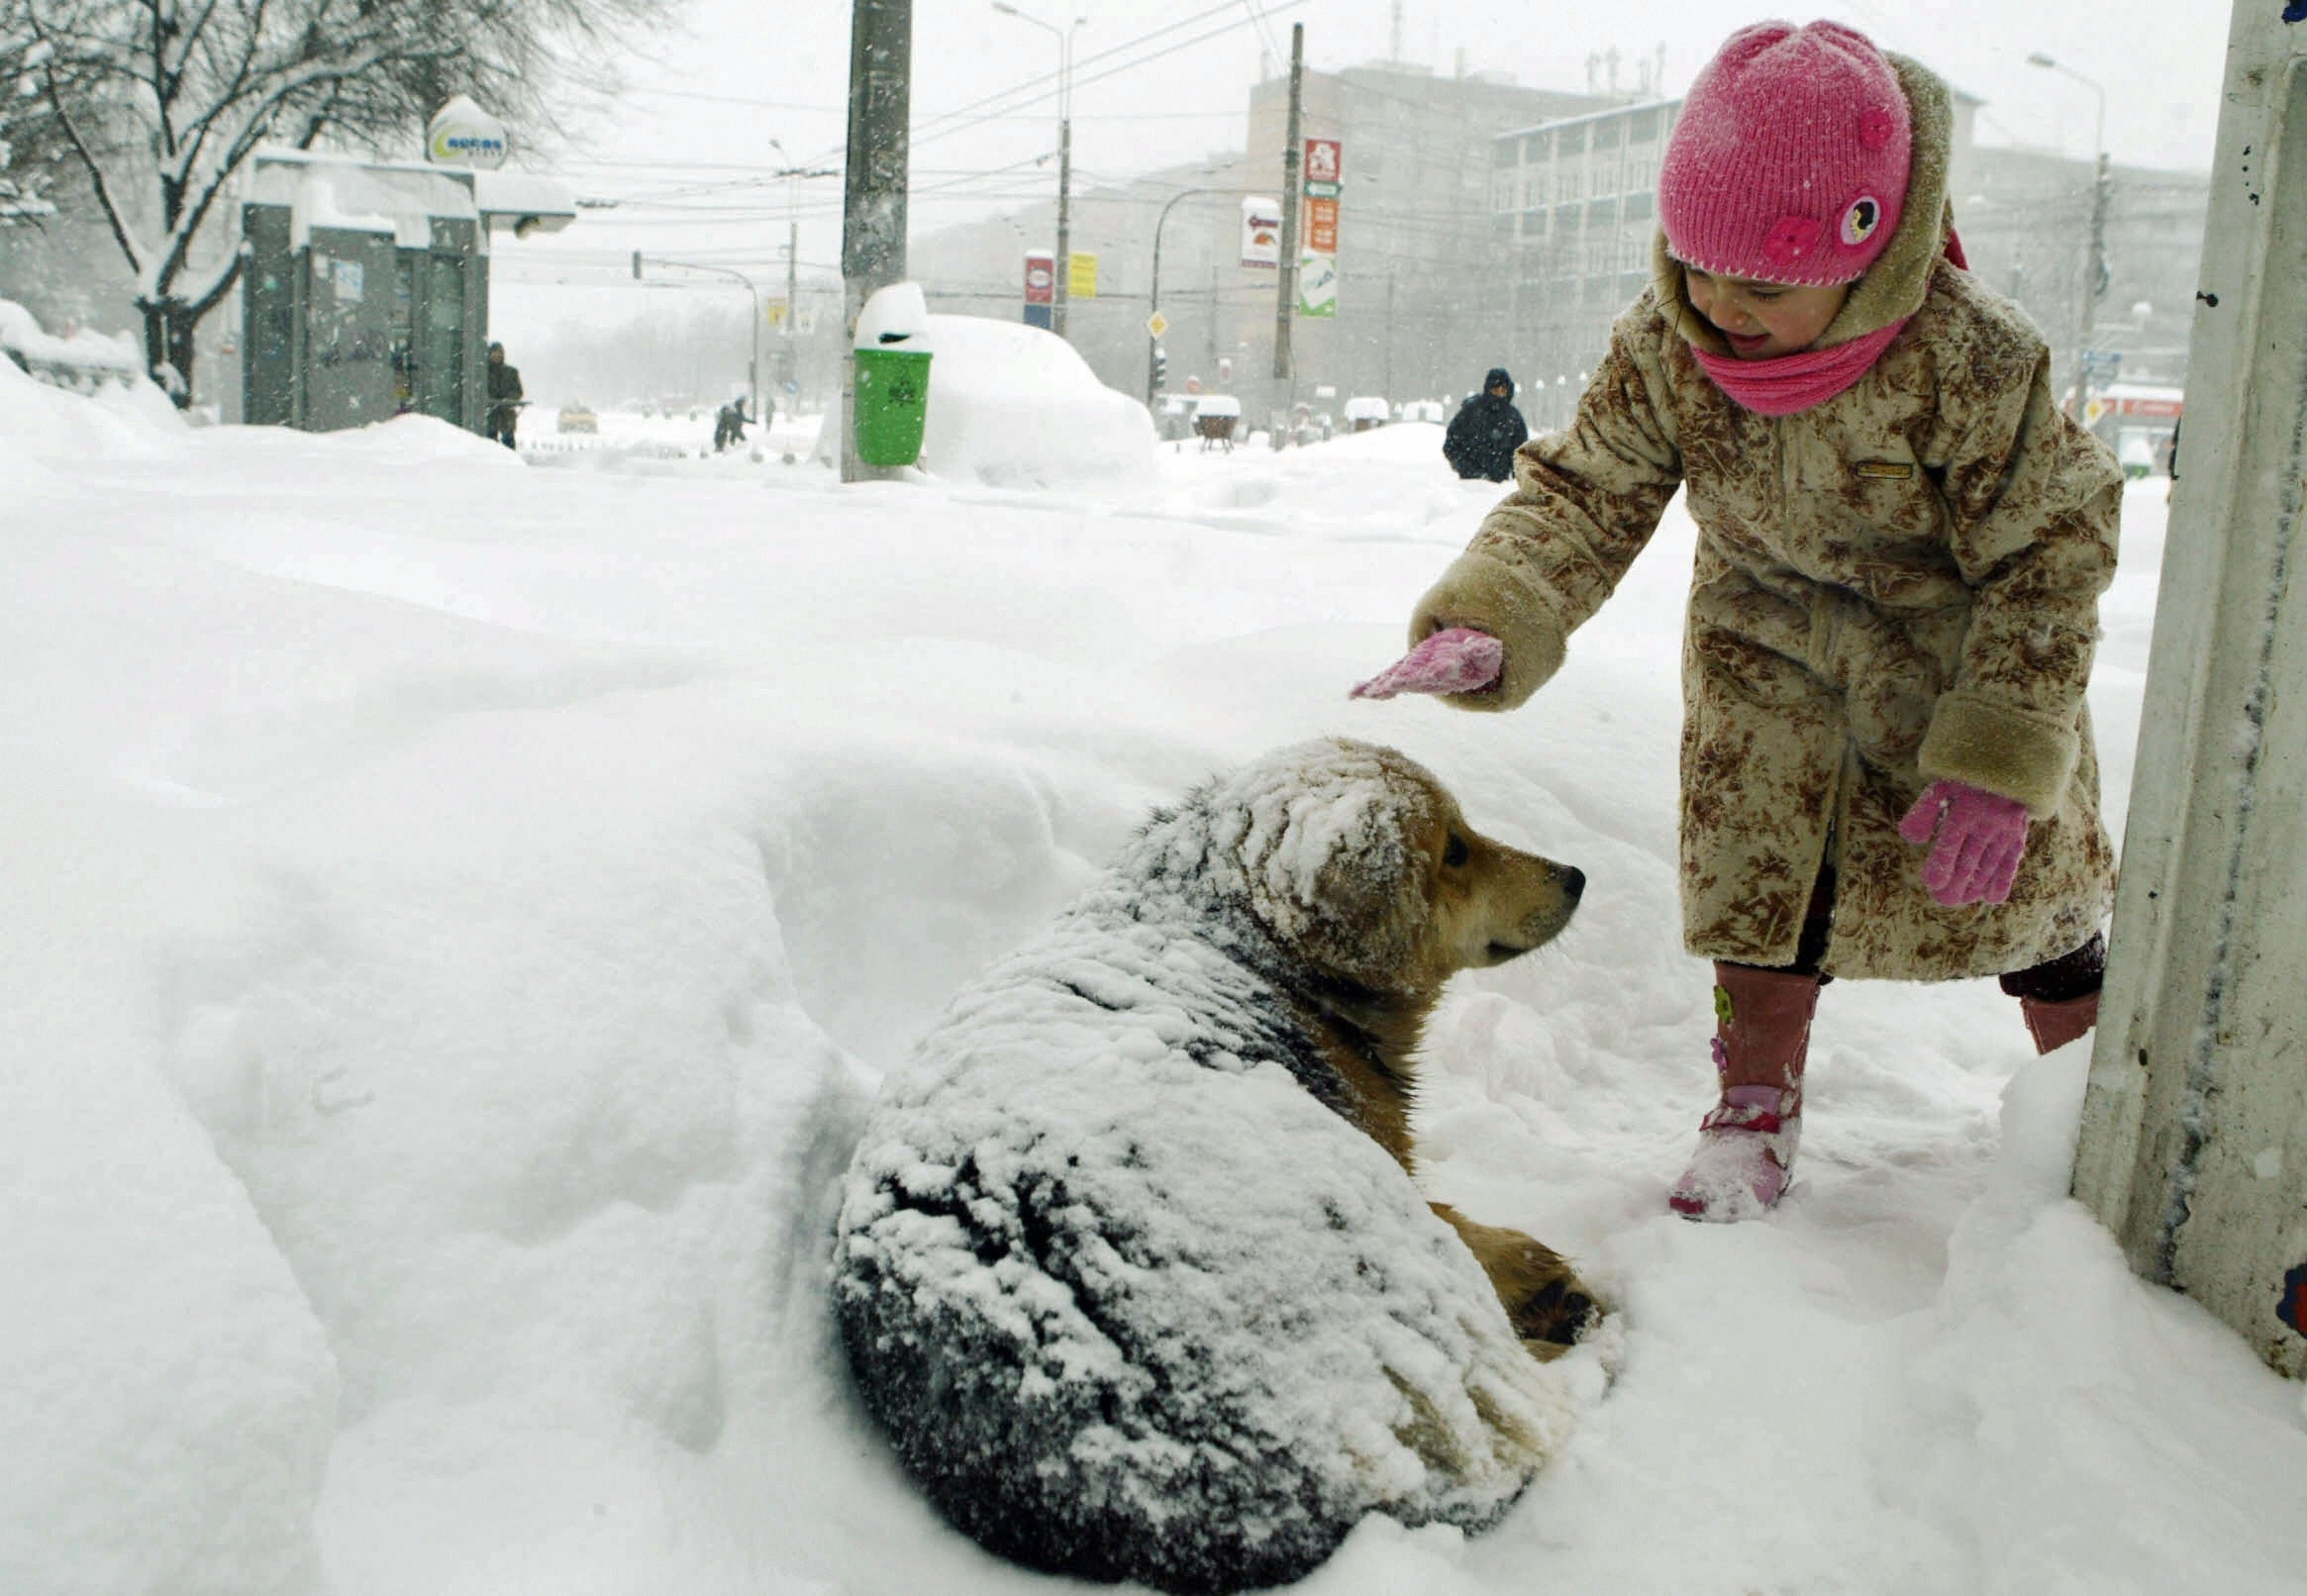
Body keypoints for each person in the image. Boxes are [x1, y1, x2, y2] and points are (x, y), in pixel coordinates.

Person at [1358, 20, 2123, 1222]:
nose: (1716, 306)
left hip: (1954, 665)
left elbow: (2049, 553)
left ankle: (2092, 1104)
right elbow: (1585, 489)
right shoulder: (1666, 342)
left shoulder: (1971, 360)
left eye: (1758, 284)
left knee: (2035, 914)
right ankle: (1751, 1103)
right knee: (1761, 893)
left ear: (1862, 251)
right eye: (1694, 266)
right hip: (1760, 662)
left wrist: (2001, 750)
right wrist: (1500, 612)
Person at [1442, 368, 1530, 482]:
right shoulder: (1470, 412)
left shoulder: (1514, 417)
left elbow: (1522, 452)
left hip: (1502, 486)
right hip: (1471, 486)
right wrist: (1468, 470)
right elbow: (1451, 445)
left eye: (1503, 389)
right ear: (1488, 389)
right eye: (1496, 388)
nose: (1500, 392)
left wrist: (1514, 474)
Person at [484, 342, 523, 449]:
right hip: (489, 415)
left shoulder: (511, 372)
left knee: (508, 443)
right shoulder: (482, 372)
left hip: (506, 415)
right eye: (494, 353)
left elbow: (518, 391)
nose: (497, 356)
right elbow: (479, 391)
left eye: (499, 353)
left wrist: (508, 399)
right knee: (489, 444)